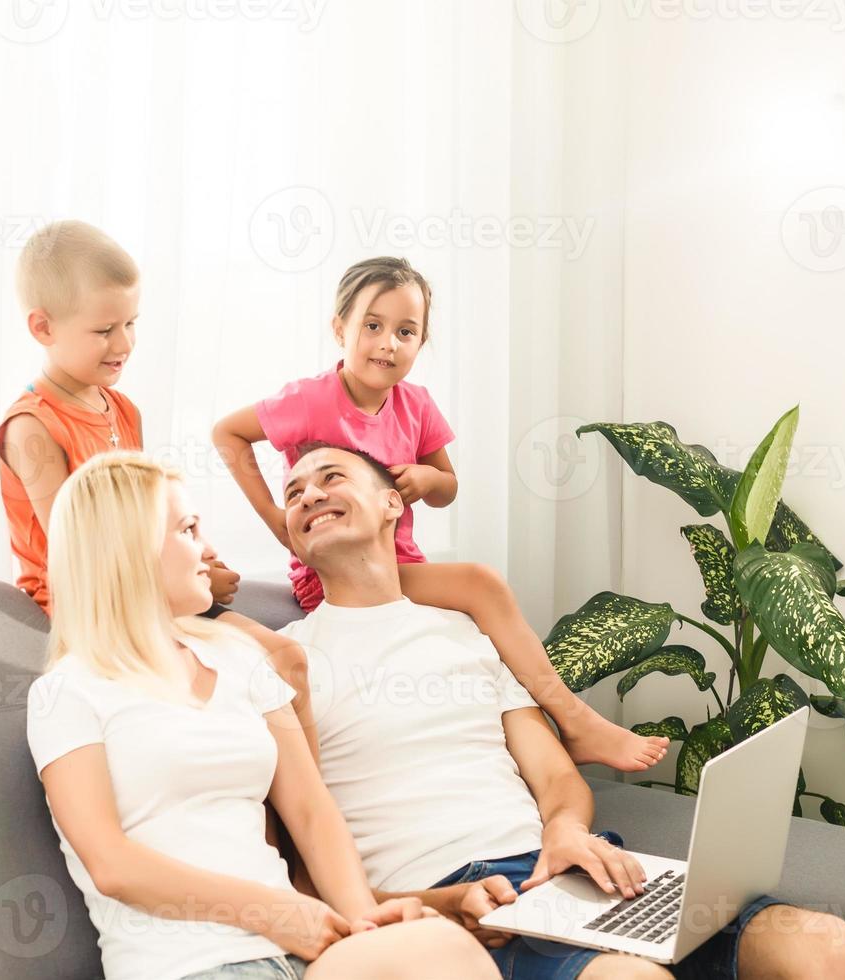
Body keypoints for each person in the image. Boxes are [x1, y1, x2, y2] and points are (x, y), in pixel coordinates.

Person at [271, 442, 845, 980]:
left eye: (331, 477)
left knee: (828, 948)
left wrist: (564, 830)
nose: (310, 495)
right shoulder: (286, 660)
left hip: (566, 871)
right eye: (293, 493)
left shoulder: (464, 630)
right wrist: (436, 906)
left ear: (391, 505)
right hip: (462, 899)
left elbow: (556, 775)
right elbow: (302, 872)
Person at [25, 451, 500, 980]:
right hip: (190, 965)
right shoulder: (67, 692)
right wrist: (271, 912)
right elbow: (111, 865)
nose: (209, 550)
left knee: (438, 945)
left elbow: (310, 809)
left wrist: (365, 917)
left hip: (307, 953)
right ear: (128, 549)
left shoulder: (240, 658)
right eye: (188, 530)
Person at [213, 256, 668, 773]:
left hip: (398, 562)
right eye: (373, 326)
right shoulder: (309, 399)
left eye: (406, 332)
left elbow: (447, 487)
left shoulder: (416, 405)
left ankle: (543, 741)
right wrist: (277, 520)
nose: (388, 343)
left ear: (421, 342)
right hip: (335, 575)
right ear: (340, 328)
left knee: (474, 630)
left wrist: (427, 480)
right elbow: (227, 434)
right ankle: (575, 719)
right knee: (479, 584)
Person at [0, 220, 315, 755]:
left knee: (290, 660)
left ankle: (308, 820)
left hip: (153, 589)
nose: (124, 343)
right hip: (96, 607)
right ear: (43, 328)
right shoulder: (33, 427)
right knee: (250, 678)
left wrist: (201, 560)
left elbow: (153, 515)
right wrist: (182, 585)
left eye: (131, 323)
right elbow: (83, 556)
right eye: (104, 330)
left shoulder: (123, 410)